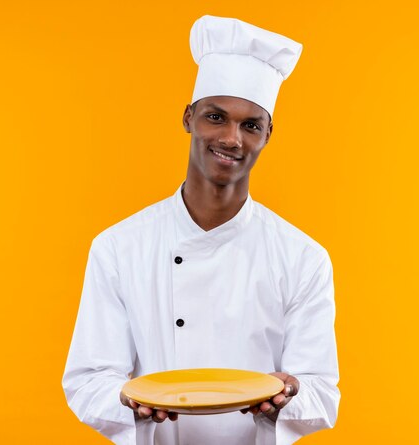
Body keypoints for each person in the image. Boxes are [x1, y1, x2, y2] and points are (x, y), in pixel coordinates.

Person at [63, 15, 340, 445]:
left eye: (251, 125)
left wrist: (291, 394)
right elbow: (88, 378)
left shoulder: (303, 258)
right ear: (189, 117)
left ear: (268, 134)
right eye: (216, 116)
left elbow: (322, 390)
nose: (232, 138)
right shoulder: (118, 248)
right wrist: (125, 399)